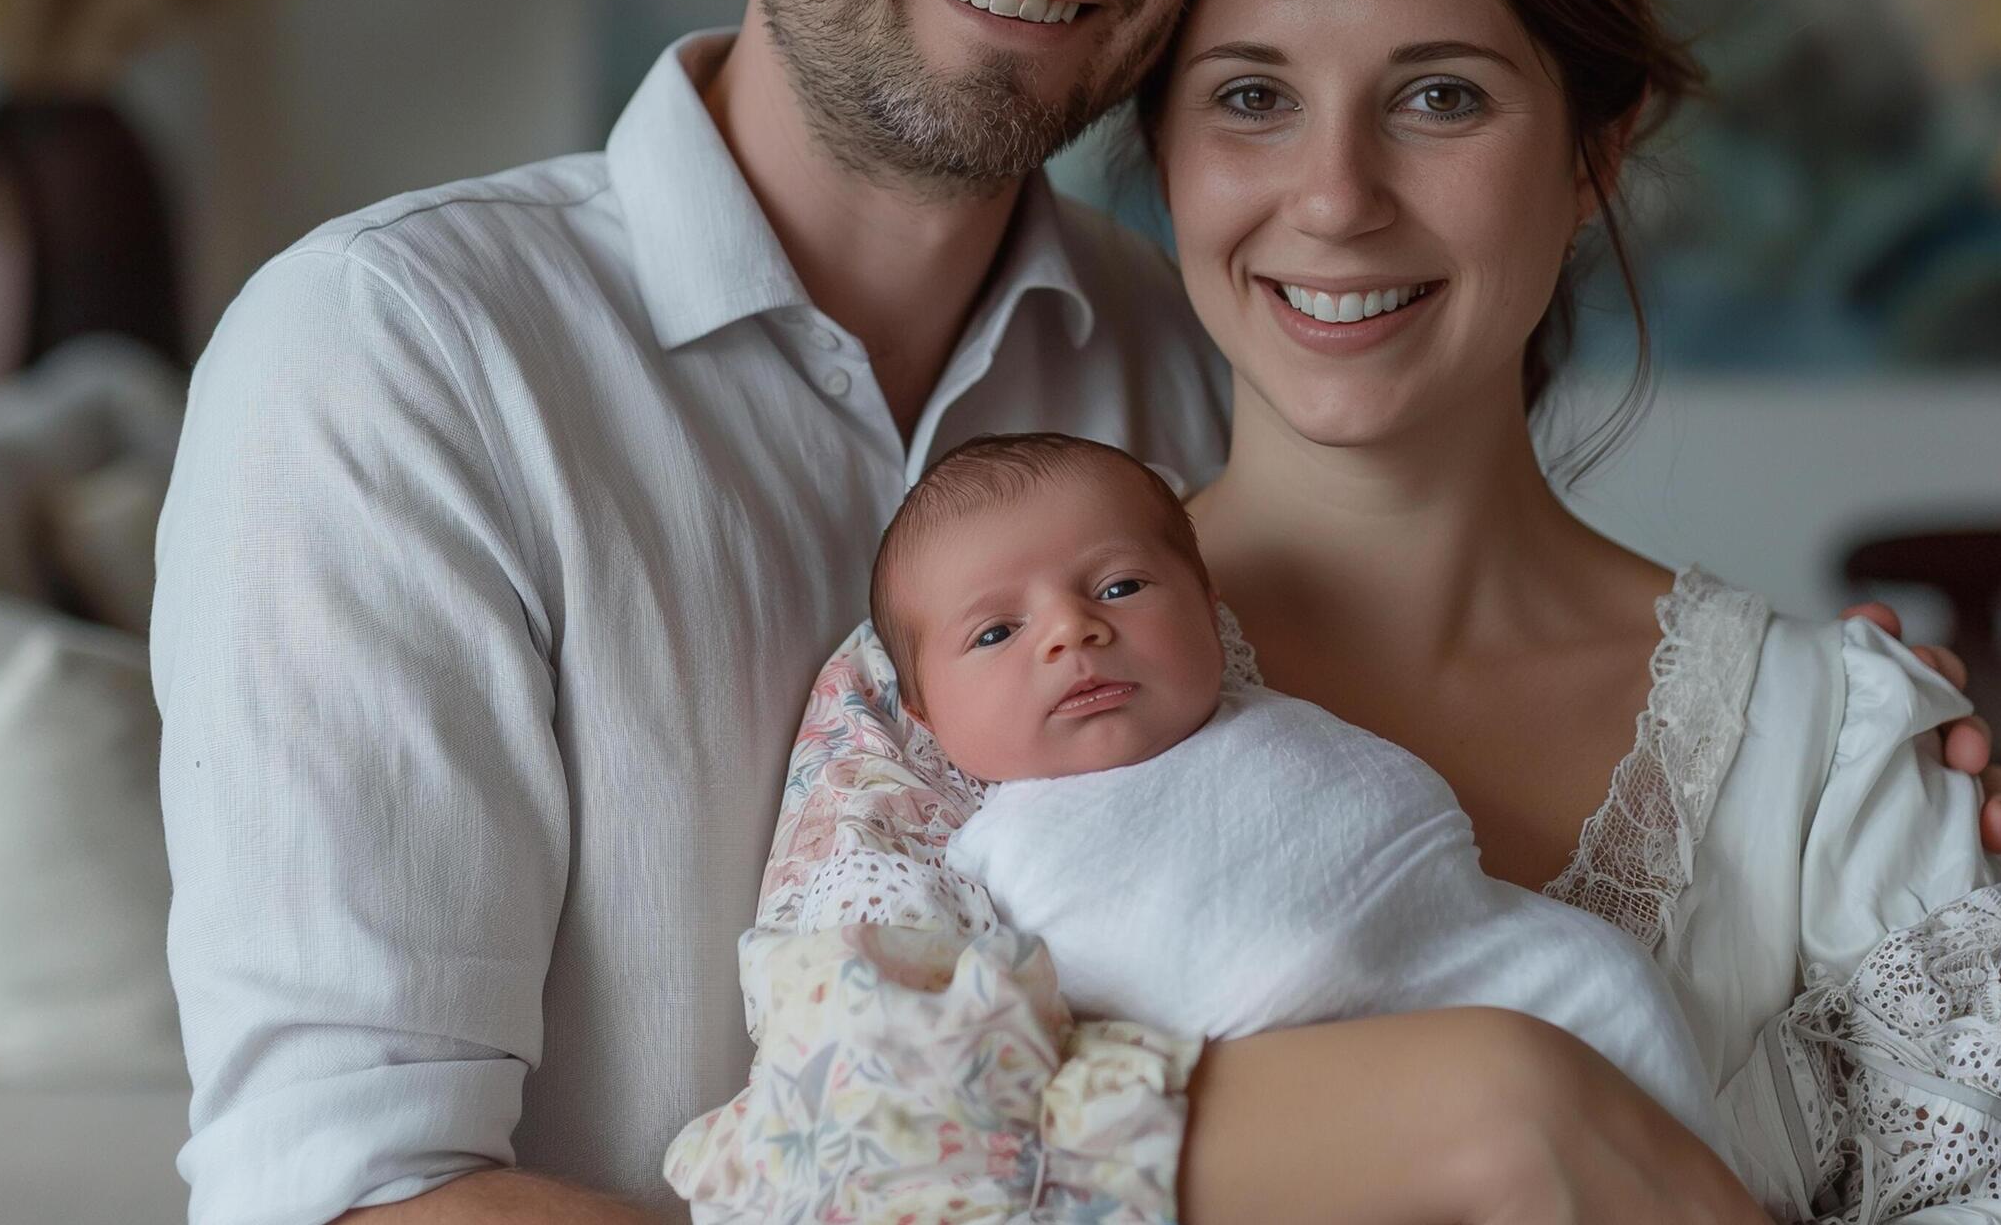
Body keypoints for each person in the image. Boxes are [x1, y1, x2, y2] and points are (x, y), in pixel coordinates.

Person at [152, 0, 2001, 1225]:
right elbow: (344, 1200)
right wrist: (1448, 1111)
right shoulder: (404, 365)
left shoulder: (1206, 355)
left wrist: (1849, 772)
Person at [711, 0, 2001, 1225]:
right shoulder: (962, 676)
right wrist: (1487, 1109)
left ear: (1592, 154)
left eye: (1439, 96)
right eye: (1251, 97)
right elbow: (819, 1184)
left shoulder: (1823, 752)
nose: (1336, 198)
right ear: (1162, 153)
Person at [711, 431, 1723, 1181]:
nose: (1071, 631)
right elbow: (914, 1083)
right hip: (1306, 1141)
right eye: (996, 632)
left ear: (1207, 608)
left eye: (1119, 585)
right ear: (922, 711)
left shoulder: (1266, 719)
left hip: (1541, 986)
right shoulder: (975, 860)